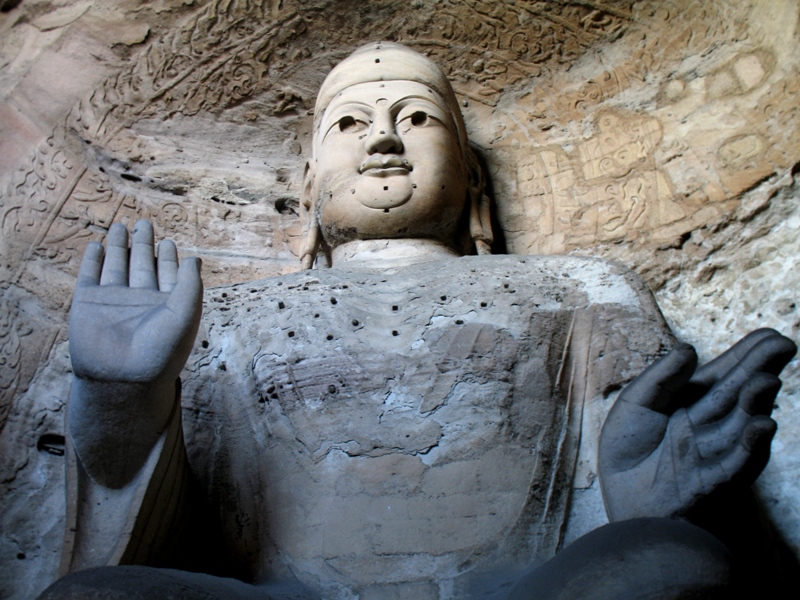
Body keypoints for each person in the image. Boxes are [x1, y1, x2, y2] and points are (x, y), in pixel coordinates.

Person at [39, 43, 796, 600]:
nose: (383, 141)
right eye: (350, 125)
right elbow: (159, 516)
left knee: (668, 565)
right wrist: (119, 393)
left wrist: (642, 499)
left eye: (417, 118)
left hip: (524, 588)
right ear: (309, 191)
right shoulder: (228, 313)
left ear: (472, 181)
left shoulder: (581, 286)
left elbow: (630, 493)